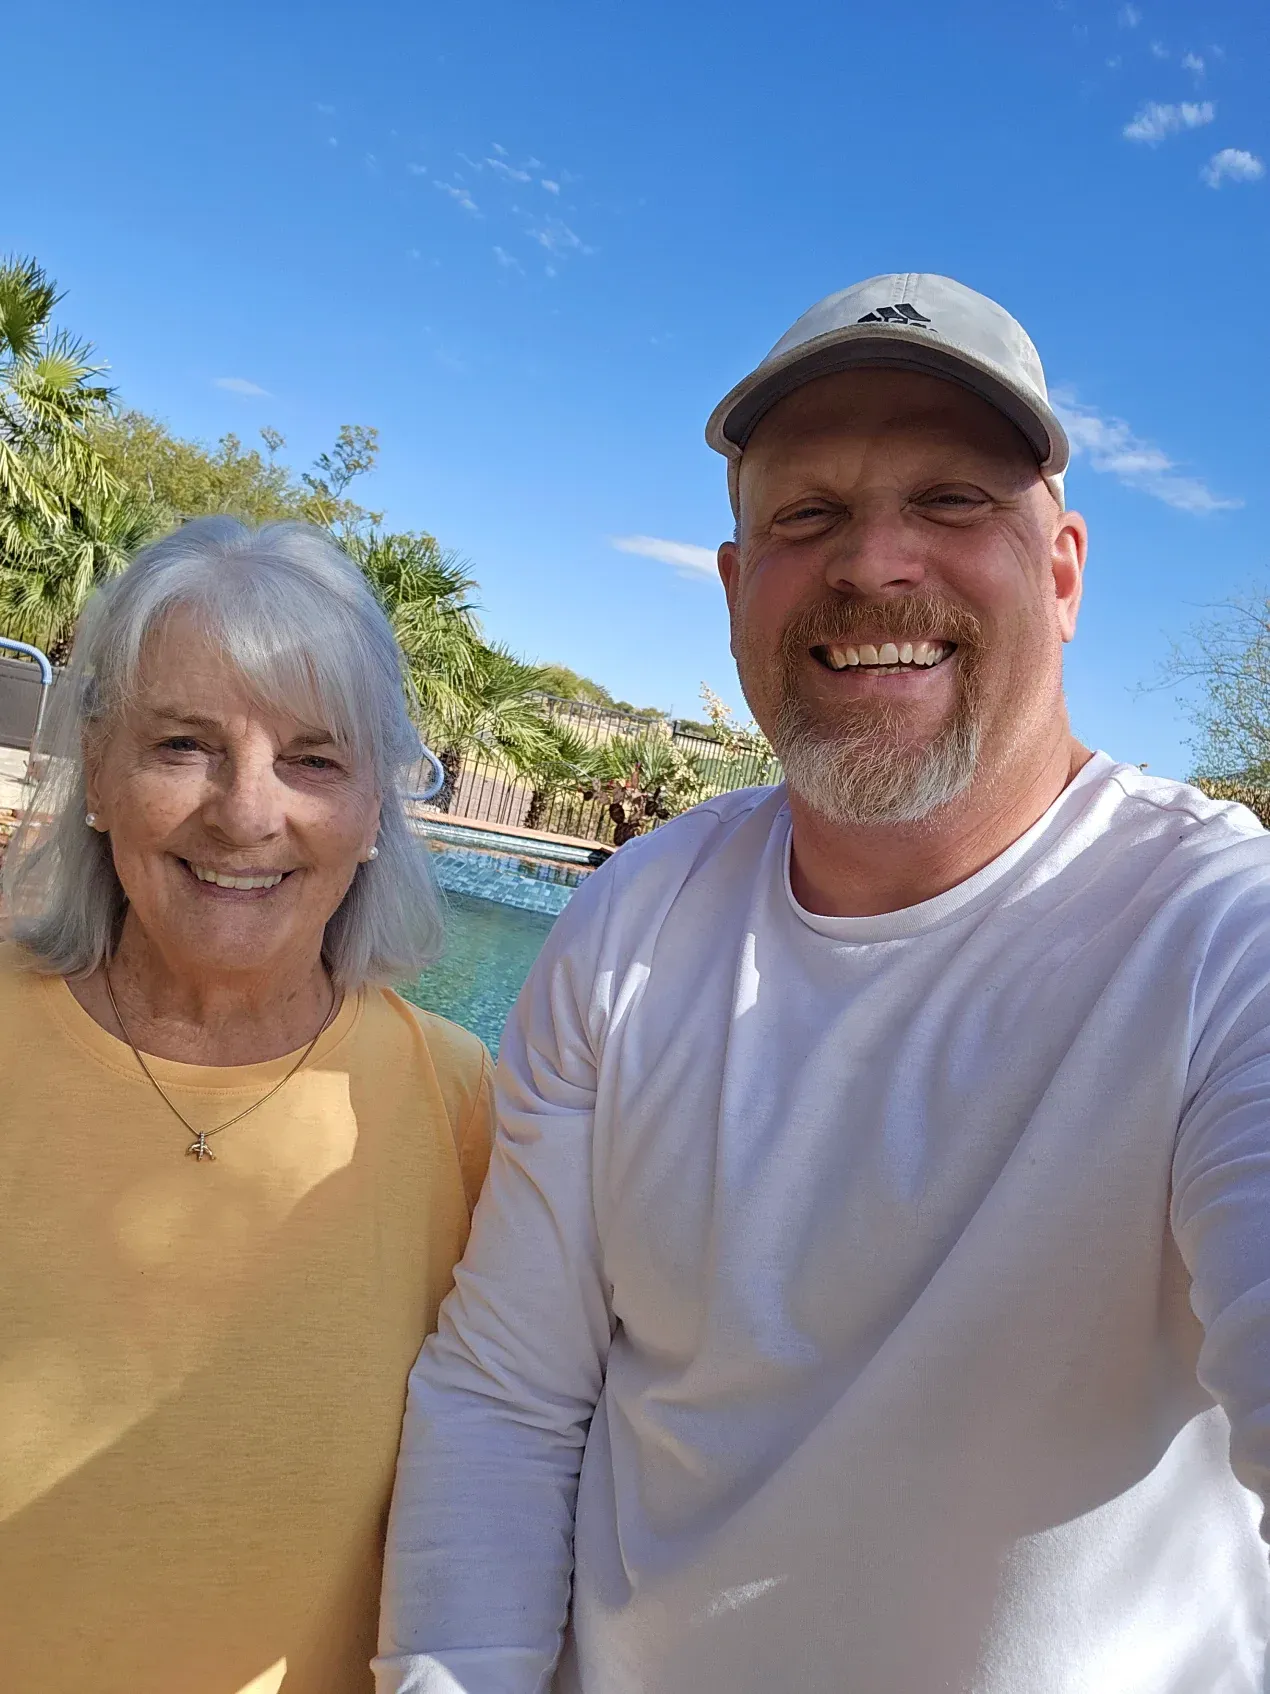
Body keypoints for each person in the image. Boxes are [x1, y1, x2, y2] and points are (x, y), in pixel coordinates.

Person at [376, 273, 1270, 1694]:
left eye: (951, 499)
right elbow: (507, 1399)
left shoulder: (1221, 937)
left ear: (1060, 571)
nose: (873, 562)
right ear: (738, 586)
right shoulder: (630, 924)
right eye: (806, 515)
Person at [0, 518, 493, 1694]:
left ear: (374, 811)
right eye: (184, 743)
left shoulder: (463, 1108)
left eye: (314, 759)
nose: (246, 811)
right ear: (100, 774)